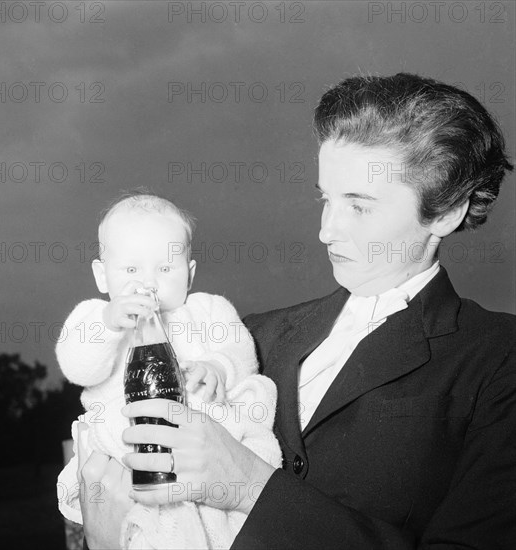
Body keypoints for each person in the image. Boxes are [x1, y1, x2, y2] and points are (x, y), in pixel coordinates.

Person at [78, 74, 516, 549]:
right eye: (325, 198)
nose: (327, 230)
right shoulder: (248, 338)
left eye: (360, 206)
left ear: (447, 211)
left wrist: (249, 485)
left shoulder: (498, 360)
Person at [56, 194, 281, 549]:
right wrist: (108, 323)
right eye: (131, 270)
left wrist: (218, 368)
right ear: (102, 275)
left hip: (202, 462)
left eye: (165, 269)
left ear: (189, 274)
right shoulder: (96, 318)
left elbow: (241, 352)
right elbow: (76, 365)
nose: (149, 282)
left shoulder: (209, 310)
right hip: (129, 460)